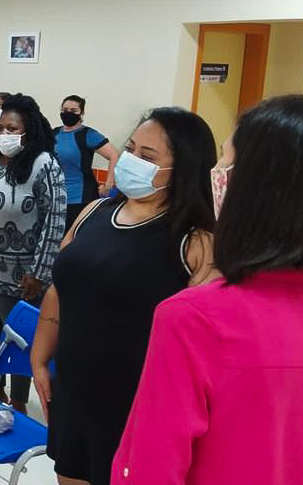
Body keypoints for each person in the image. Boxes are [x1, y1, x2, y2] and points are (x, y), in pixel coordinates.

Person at [111, 95, 303, 485]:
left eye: (226, 162)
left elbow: (152, 468)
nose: (216, 173)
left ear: (255, 189)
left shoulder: (197, 318)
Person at [31, 107, 218, 485]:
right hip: (76, 391)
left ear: (183, 169)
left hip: (139, 404)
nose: (130, 160)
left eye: (147, 156)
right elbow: (60, 287)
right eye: (130, 149)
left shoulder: (196, 242)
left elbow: (205, 342)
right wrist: (39, 356)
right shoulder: (95, 212)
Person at [0, 94, 66, 411]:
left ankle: (19, 401)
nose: (5, 134)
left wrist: (40, 272)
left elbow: (54, 220)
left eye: (12, 129)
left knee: (20, 339)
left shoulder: (44, 164)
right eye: (1, 128)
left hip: (22, 275)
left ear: (29, 130)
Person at [55, 95, 120, 230]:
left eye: (74, 110)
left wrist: (108, 185)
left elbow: (114, 155)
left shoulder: (88, 134)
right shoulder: (54, 133)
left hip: (79, 198)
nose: (68, 113)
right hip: (55, 197)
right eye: (65, 110)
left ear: (81, 113)